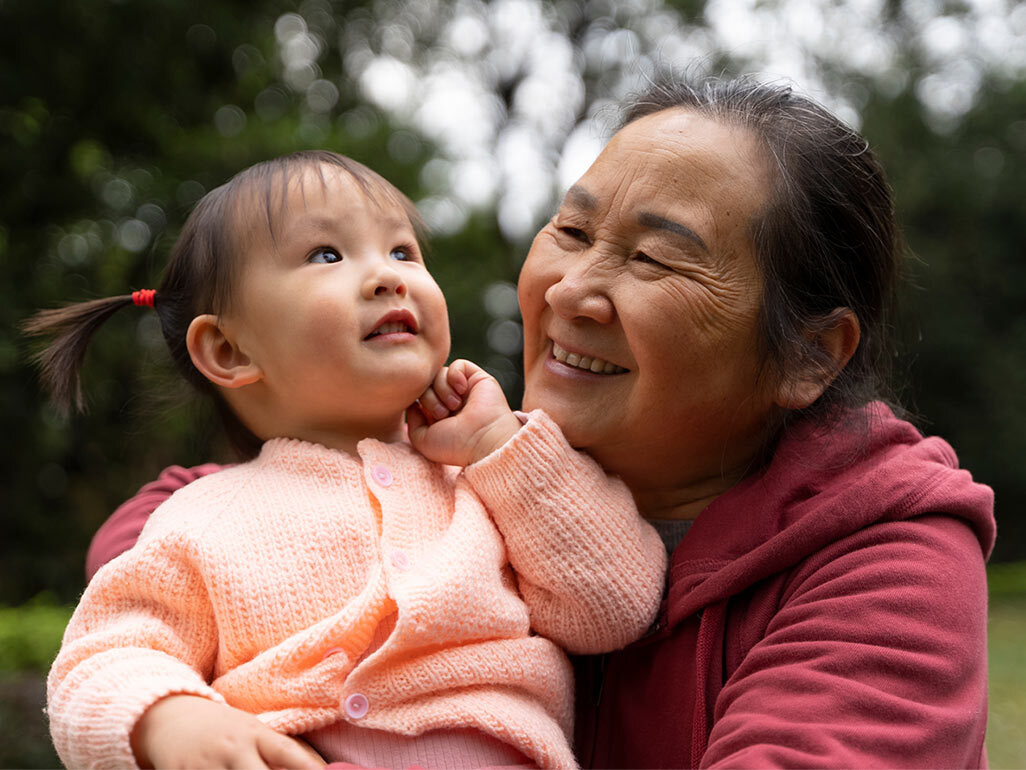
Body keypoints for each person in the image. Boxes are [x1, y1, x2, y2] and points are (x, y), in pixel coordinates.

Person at [85, 76, 996, 769]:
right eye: (570, 231)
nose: (570, 291)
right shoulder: (455, 470)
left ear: (808, 357)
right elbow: (161, 567)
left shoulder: (889, 561)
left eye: (654, 260)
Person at [31, 150, 667, 770]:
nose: (389, 275)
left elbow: (613, 606)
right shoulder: (201, 518)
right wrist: (168, 717)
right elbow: (103, 653)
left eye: (402, 252)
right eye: (326, 255)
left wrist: (499, 447)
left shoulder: (494, 477)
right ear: (228, 349)